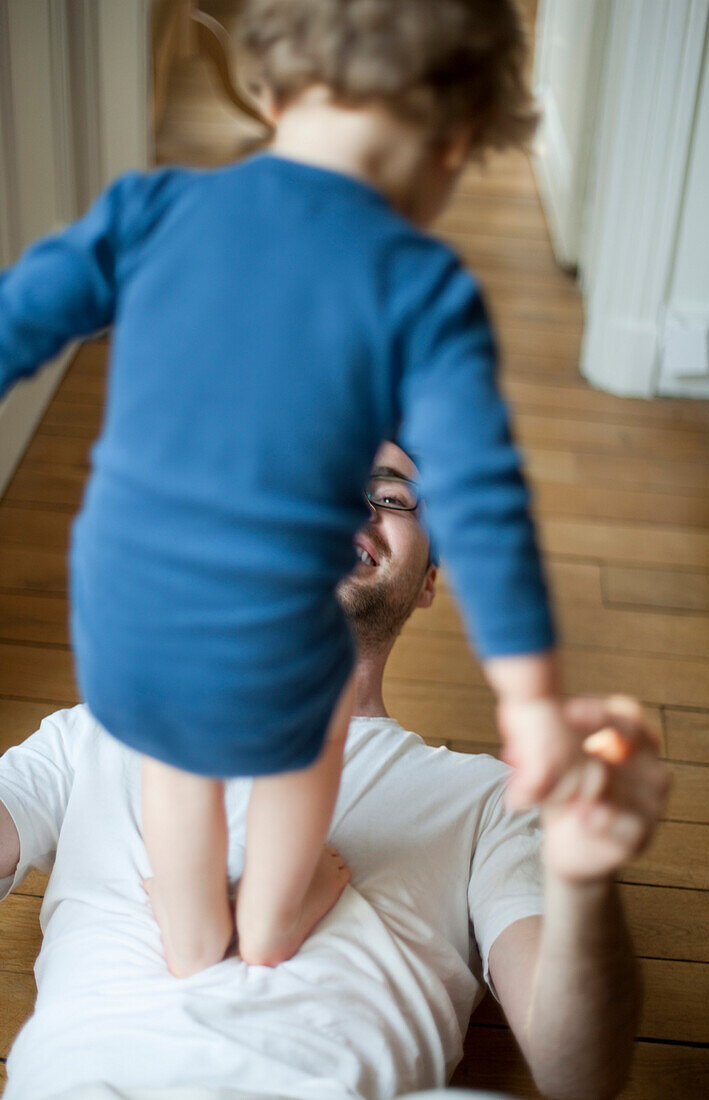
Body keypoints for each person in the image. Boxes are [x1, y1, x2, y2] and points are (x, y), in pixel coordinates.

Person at [1, 0, 595, 979]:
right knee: (315, 710)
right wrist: (529, 698)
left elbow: (18, 317)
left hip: (121, 607)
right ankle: (275, 914)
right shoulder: (418, 286)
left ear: (269, 88)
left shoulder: (153, 209)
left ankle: (189, 928)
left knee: (172, 747)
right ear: (451, 144)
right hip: (277, 632)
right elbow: (483, 505)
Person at [0, 443, 670, 1100]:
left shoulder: (490, 800)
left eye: (392, 497)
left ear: (429, 578)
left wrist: (582, 881)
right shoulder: (96, 733)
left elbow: (579, 1074)